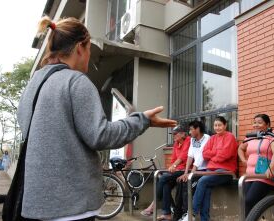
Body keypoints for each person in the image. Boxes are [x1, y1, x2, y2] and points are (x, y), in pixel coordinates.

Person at [16, 16, 176, 221]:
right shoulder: (76, 82)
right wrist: (143, 120)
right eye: (89, 49)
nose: (90, 56)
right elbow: (101, 136)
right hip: (72, 206)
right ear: (80, 48)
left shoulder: (32, 86)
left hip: (34, 204)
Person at [180, 116, 238, 221]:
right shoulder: (213, 138)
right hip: (211, 171)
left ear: (225, 125)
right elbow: (205, 154)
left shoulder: (230, 137)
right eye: (215, 125)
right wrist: (216, 154)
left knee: (202, 181)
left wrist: (213, 156)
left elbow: (225, 154)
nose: (217, 127)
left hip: (226, 171)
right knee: (206, 187)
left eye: (219, 125)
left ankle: (192, 213)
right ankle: (205, 219)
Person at [141, 125, 190, 221]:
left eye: (175, 134)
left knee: (163, 178)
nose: (173, 136)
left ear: (183, 133)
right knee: (165, 184)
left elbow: (183, 156)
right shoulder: (176, 143)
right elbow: (173, 159)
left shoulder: (188, 141)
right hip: (177, 170)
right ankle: (167, 214)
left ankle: (153, 205)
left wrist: (174, 166)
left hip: (185, 170)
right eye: (173, 134)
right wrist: (171, 167)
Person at [238, 114, 274, 217]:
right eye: (255, 122)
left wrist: (271, 168)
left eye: (259, 122)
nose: (256, 125)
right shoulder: (252, 136)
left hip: (264, 175)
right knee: (244, 202)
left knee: (249, 201)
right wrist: (244, 160)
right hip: (250, 176)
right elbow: (240, 148)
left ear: (267, 124)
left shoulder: (272, 135)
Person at [174, 120, 210, 221]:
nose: (189, 133)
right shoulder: (192, 140)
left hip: (204, 170)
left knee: (188, 183)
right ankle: (180, 213)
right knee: (181, 182)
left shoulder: (207, 138)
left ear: (197, 129)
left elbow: (200, 157)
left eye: (191, 130)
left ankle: (189, 214)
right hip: (195, 170)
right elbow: (190, 155)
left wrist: (190, 174)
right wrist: (186, 173)